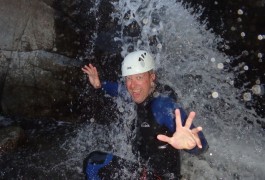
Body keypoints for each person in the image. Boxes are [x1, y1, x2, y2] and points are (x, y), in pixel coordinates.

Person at [81, 50, 208, 179]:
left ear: (152, 77)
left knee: (94, 163)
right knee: (95, 160)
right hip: (145, 171)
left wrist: (192, 145)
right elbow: (117, 90)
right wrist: (99, 85)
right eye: (128, 78)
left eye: (139, 77)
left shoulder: (163, 105)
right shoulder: (137, 92)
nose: (132, 85)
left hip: (162, 177)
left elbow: (202, 144)